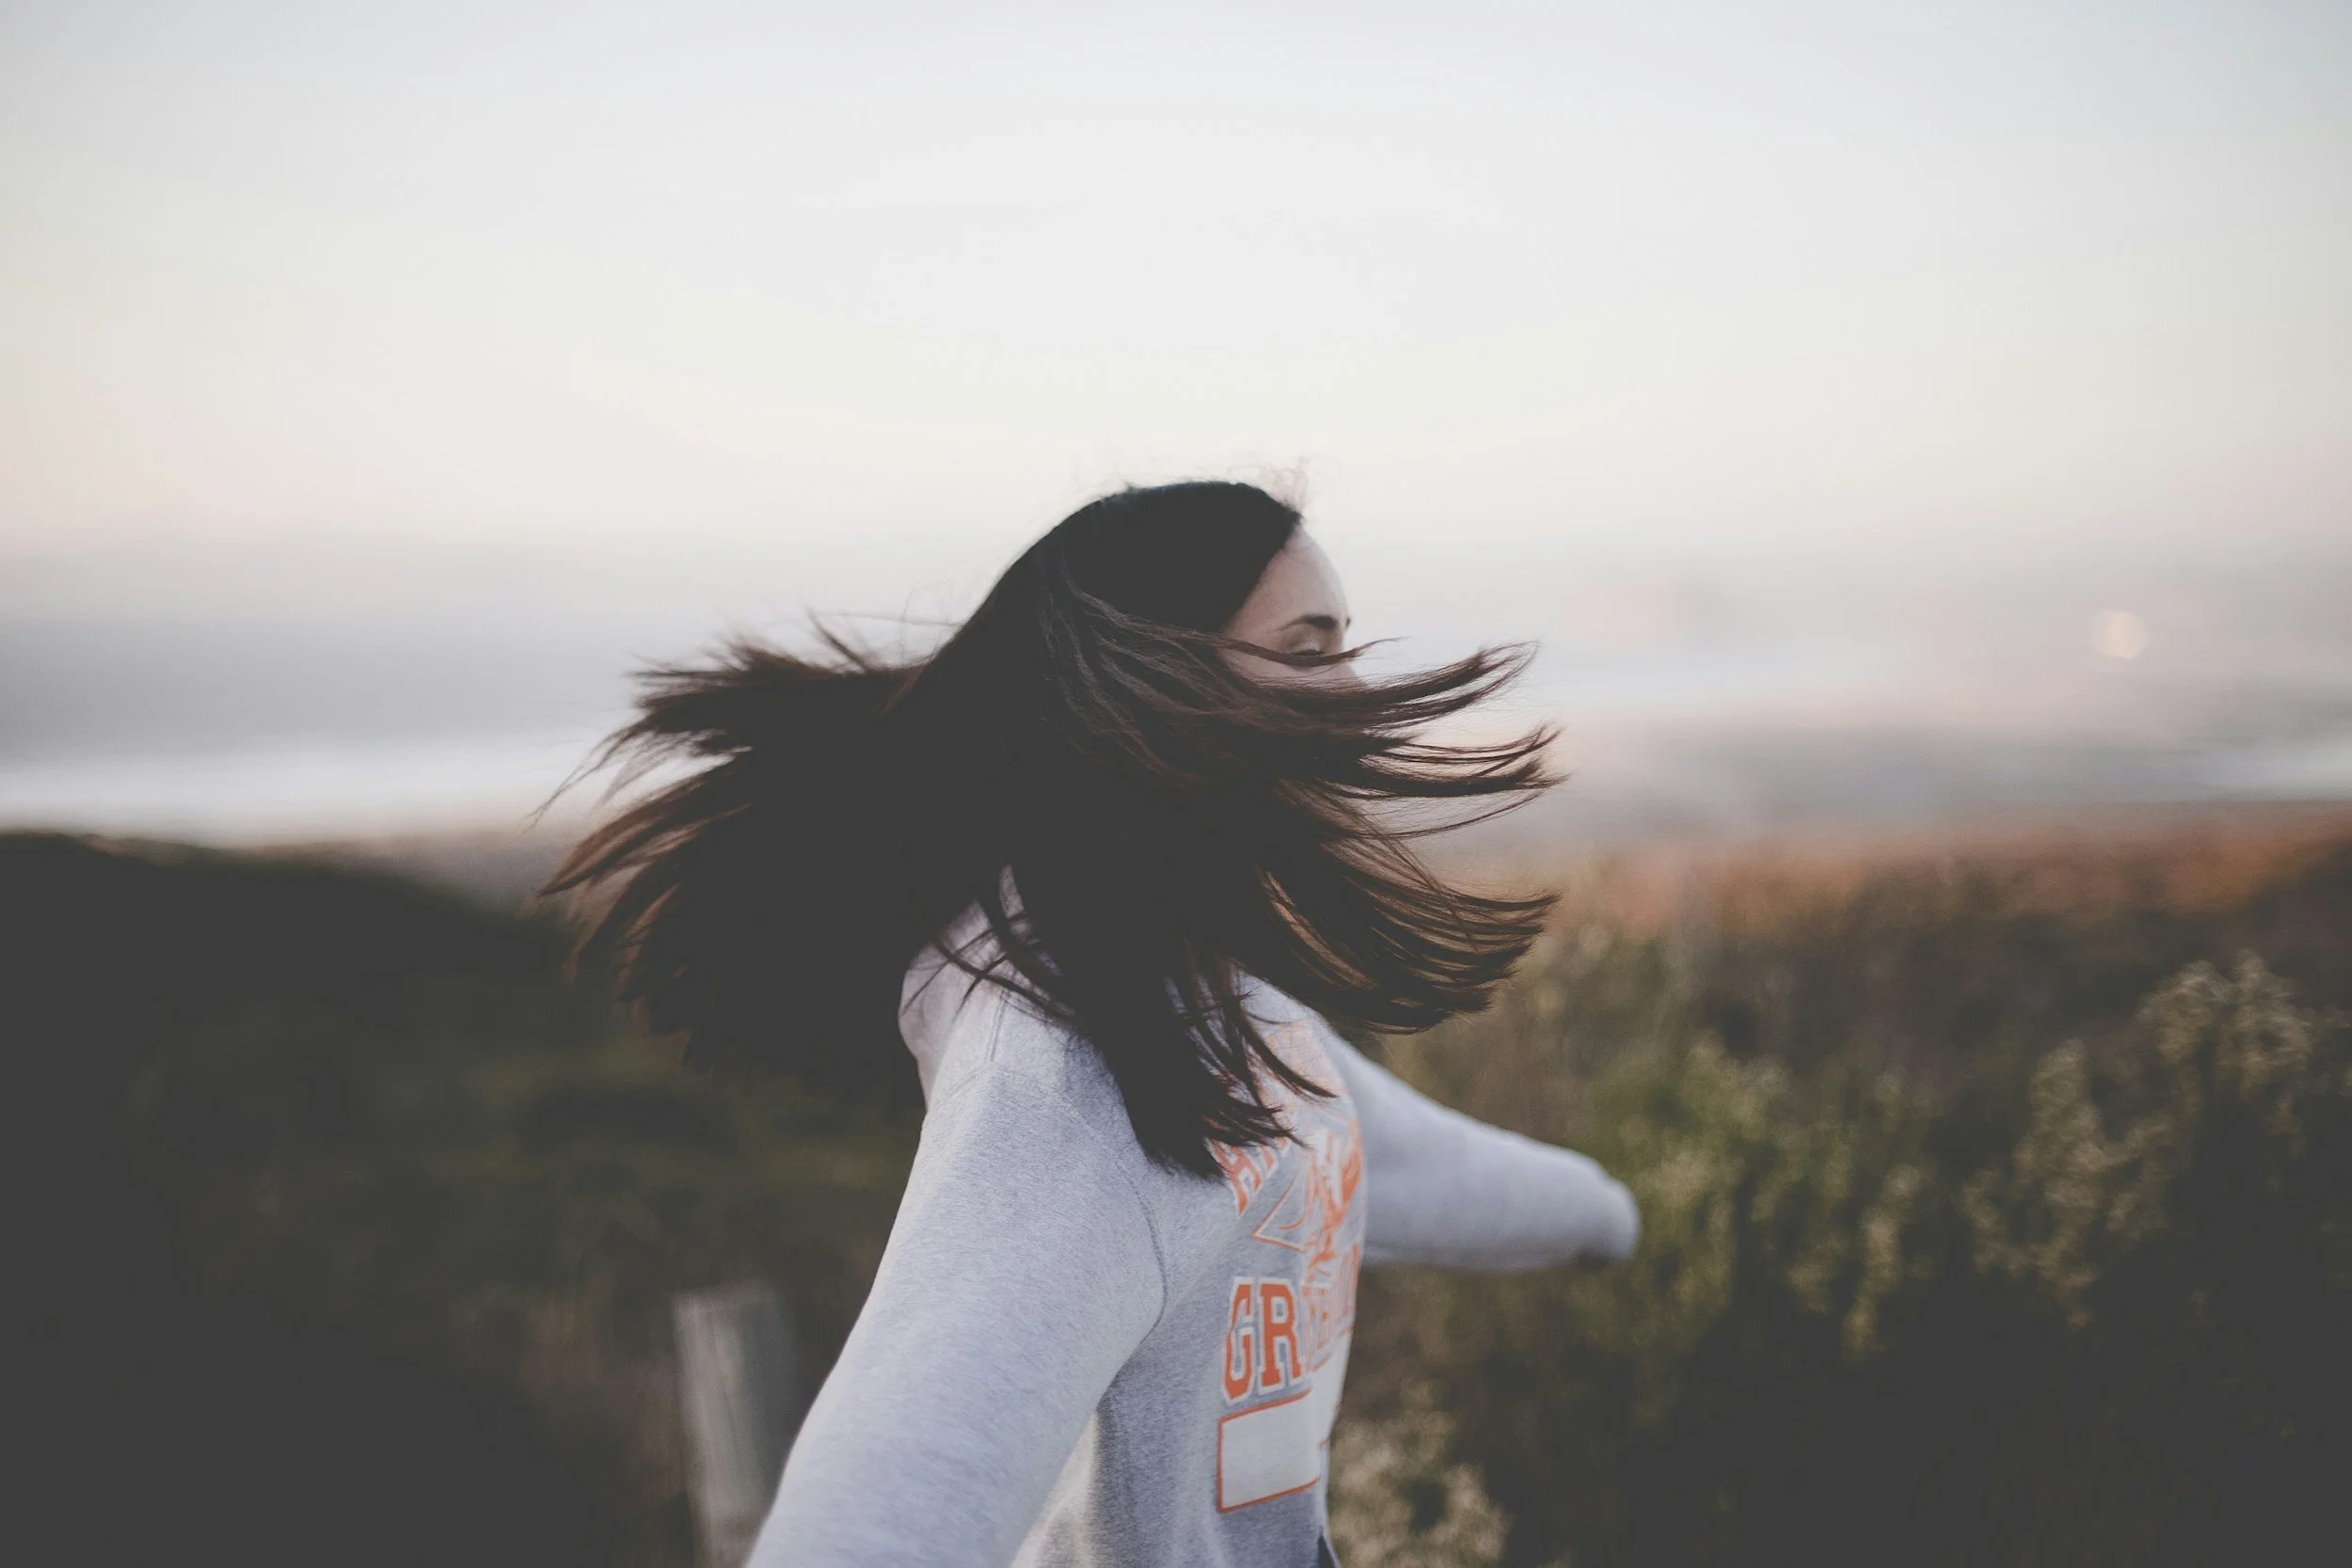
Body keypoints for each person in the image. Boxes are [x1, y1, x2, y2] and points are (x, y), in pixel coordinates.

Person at [549, 482, 1639, 1567]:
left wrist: (1601, 1215)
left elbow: (1363, 1147)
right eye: (1308, 650)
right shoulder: (1066, 1085)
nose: (1354, 688)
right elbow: (883, 1503)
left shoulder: (1195, 974)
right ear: (1149, 684)